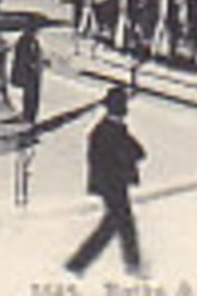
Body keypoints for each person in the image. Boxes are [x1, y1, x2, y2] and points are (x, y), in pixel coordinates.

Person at [66, 87, 146, 278]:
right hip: (113, 185)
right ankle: (131, 264)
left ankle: (78, 263)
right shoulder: (107, 132)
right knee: (123, 224)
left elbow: (137, 151)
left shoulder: (111, 129)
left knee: (113, 224)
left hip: (113, 184)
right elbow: (129, 153)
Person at [9, 18, 44, 126]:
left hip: (34, 73)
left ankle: (31, 118)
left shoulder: (33, 41)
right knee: (29, 97)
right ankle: (28, 118)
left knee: (34, 96)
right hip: (28, 73)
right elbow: (21, 58)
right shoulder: (24, 41)